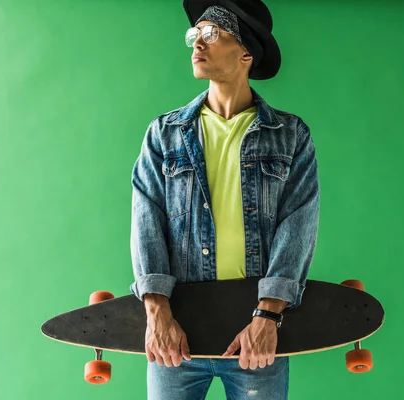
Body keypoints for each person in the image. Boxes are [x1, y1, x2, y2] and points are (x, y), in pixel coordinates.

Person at [129, 1, 320, 398]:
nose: (197, 44)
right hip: (175, 335)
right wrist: (157, 313)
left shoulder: (290, 135)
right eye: (194, 36)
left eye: (211, 34)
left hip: (254, 333)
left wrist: (268, 316)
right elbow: (146, 220)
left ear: (246, 53)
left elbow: (298, 224)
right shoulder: (164, 134)